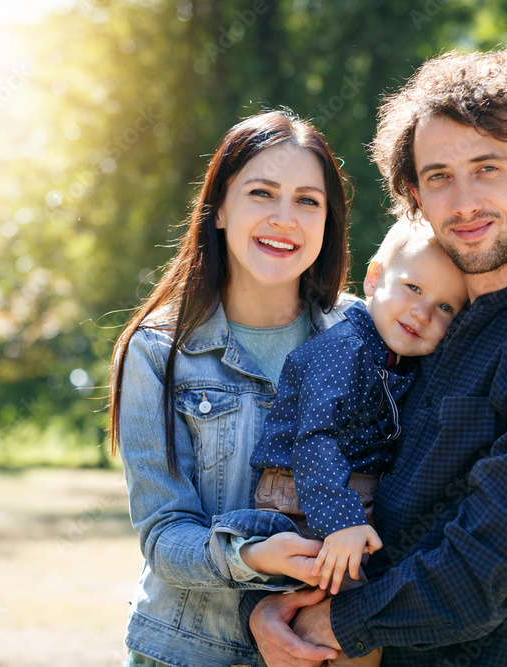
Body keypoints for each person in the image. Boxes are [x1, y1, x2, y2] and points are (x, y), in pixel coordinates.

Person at [247, 46, 507, 667]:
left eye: (488, 167)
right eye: (439, 175)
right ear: (416, 193)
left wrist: (318, 622)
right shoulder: (429, 329)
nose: (463, 201)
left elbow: (481, 575)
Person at [108, 109, 355, 667]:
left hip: (318, 649)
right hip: (185, 653)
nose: (284, 219)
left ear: (329, 220)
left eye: (308, 201)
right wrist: (255, 557)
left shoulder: (360, 336)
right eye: (262, 193)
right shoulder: (155, 351)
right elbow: (164, 535)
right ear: (219, 208)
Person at [248, 216, 468, 602]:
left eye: (446, 307)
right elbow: (316, 437)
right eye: (413, 287)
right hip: (307, 499)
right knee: (350, 624)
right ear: (374, 279)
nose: (422, 312)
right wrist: (341, 521)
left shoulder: (400, 361)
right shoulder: (345, 350)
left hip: (345, 498)